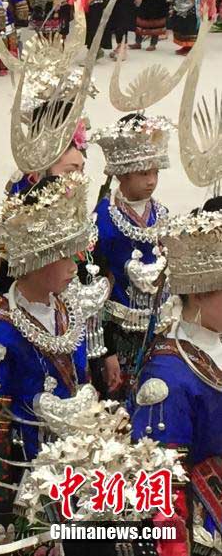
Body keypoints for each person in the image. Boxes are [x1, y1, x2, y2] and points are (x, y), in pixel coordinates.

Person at [0, 173, 96, 553]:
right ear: (36, 259)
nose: (75, 265)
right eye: (66, 254)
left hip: (72, 462)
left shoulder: (67, 308)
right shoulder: (2, 331)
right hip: (22, 472)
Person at [131, 198, 222, 555]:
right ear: (199, 291)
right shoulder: (167, 376)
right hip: (201, 531)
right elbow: (160, 491)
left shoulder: (211, 346)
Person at [91, 113, 173, 398]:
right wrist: (106, 352)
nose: (151, 181)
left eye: (155, 173)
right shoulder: (103, 219)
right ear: (123, 172)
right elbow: (94, 289)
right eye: (143, 173)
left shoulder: (162, 214)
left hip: (158, 328)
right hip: (117, 330)